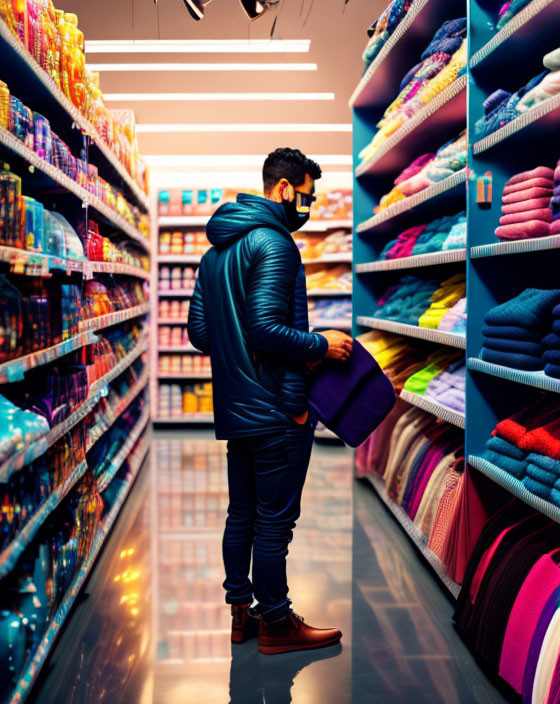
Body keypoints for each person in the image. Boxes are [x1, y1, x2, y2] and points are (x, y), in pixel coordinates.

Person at [187, 147, 353, 654]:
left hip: (237, 408)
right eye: (306, 194)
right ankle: (277, 624)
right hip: (278, 408)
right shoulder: (276, 245)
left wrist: (237, 348)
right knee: (275, 522)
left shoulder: (215, 252)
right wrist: (321, 343)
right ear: (283, 189)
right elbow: (264, 329)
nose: (309, 205)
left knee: (242, 513)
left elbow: (199, 332)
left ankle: (242, 615)